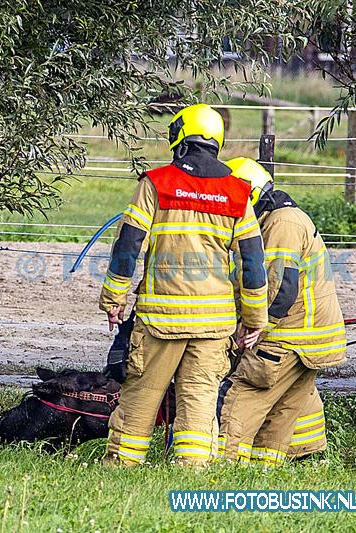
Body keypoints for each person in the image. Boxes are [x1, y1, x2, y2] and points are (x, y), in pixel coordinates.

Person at [99, 104, 268, 466]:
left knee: (142, 396)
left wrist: (114, 298)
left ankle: (121, 466)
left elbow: (128, 245)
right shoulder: (238, 192)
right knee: (199, 399)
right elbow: (253, 263)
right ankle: (190, 470)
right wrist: (255, 319)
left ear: (179, 137)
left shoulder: (155, 184)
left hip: (160, 322)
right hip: (213, 326)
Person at [218, 157, 345, 464]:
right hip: (307, 338)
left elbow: (279, 288)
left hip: (287, 337)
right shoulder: (274, 219)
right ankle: (266, 468)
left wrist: (250, 327)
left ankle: (222, 464)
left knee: (242, 400)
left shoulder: (281, 223)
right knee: (281, 413)